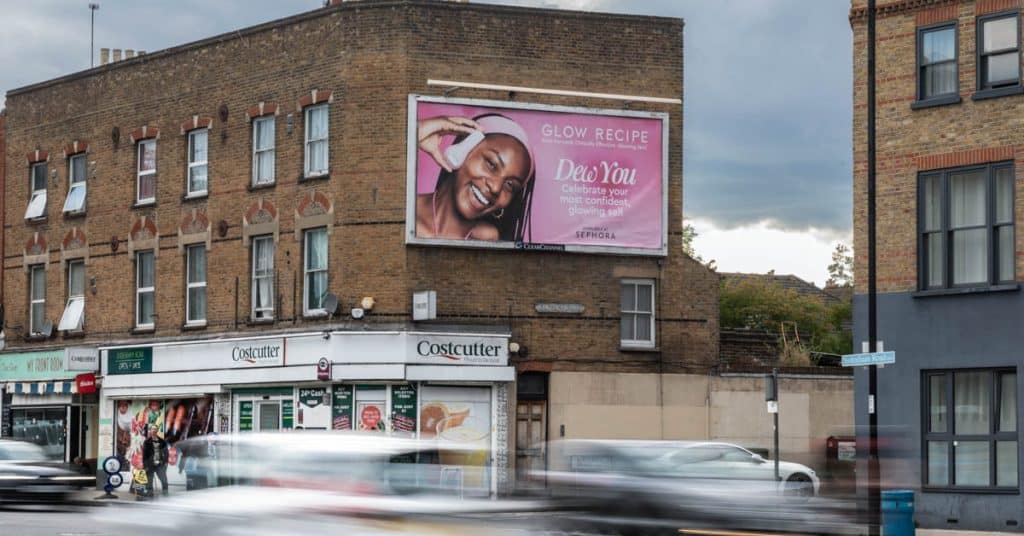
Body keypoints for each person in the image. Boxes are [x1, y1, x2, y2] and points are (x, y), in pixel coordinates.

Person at [416, 113, 536, 242]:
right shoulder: (406, 210)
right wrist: (417, 131)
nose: (496, 188)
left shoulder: (489, 240)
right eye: (491, 164)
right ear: (462, 150)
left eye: (510, 185)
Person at [142, 424, 170, 497]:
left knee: (164, 480)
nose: (154, 430)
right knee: (149, 481)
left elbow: (166, 453)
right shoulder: (147, 442)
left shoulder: (162, 441)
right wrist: (145, 465)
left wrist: (165, 462)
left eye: (155, 429)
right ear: (150, 431)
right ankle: (150, 494)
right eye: (152, 429)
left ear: (157, 430)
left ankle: (165, 493)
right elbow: (144, 455)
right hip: (150, 464)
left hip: (159, 464)